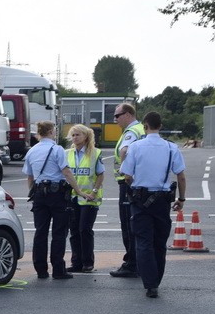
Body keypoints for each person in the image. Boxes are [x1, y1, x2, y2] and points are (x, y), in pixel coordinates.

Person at [119, 111, 187, 298]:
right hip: (162, 200)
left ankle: (150, 284)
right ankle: (156, 279)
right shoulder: (172, 148)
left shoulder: (135, 147)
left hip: (140, 200)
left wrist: (134, 186)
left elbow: (127, 176)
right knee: (159, 242)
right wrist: (181, 199)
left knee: (143, 241)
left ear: (145, 126)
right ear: (161, 126)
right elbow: (180, 176)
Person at [22, 121, 93, 279]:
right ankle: (58, 270)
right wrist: (78, 190)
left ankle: (41, 270)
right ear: (51, 132)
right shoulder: (57, 149)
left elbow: (30, 177)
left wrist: (34, 193)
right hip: (57, 194)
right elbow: (66, 172)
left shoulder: (32, 151)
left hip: (39, 194)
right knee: (59, 232)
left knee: (40, 232)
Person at [109, 103, 146, 278]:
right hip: (140, 183)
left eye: (118, 115)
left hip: (128, 183)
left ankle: (131, 264)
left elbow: (124, 151)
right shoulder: (141, 129)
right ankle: (138, 262)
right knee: (138, 224)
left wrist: (126, 172)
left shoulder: (131, 132)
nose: (115, 119)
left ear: (129, 114)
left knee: (127, 224)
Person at [65, 124, 104, 273]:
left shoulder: (94, 153)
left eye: (78, 135)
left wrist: (94, 191)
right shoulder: (67, 153)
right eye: (73, 135)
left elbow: (100, 174)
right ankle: (76, 262)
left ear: (85, 136)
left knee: (84, 230)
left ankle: (88, 262)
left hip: (89, 198)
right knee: (74, 231)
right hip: (73, 198)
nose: (75, 138)